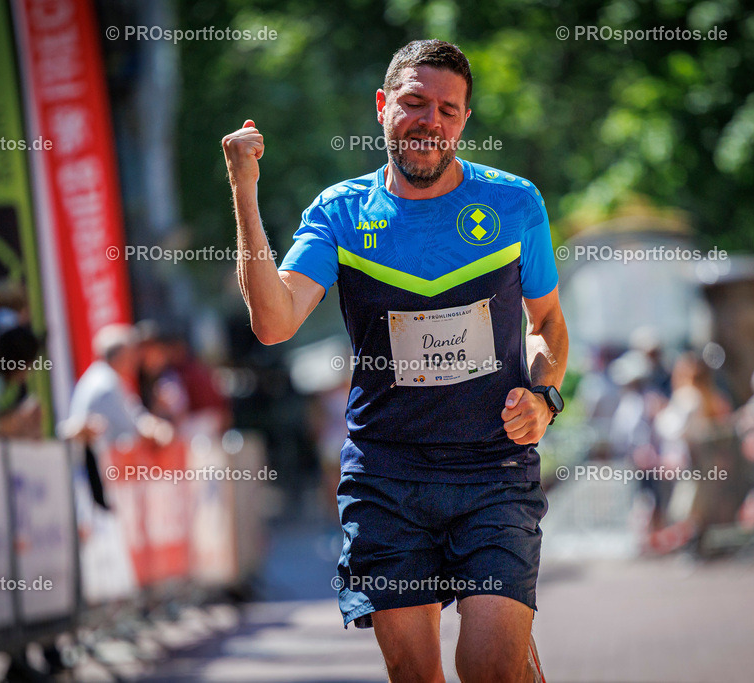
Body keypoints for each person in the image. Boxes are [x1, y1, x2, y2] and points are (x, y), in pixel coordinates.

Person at [222, 39, 567, 682]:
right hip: (387, 474)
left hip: (491, 468)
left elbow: (546, 324)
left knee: (488, 668)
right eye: (413, 102)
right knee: (415, 674)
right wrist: (245, 189)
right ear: (382, 107)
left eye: (448, 109)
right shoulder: (340, 213)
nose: (429, 121)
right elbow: (273, 323)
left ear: (464, 121)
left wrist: (544, 399)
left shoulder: (515, 204)